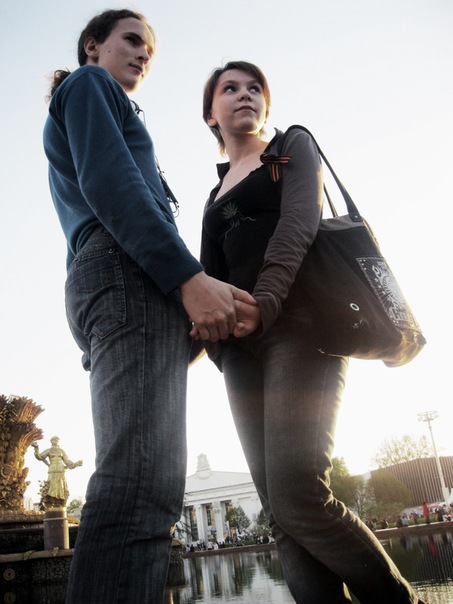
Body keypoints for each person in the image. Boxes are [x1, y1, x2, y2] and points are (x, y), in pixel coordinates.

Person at [43, 11, 256, 604]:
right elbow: (113, 186)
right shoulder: (89, 84)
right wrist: (188, 279)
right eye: (132, 40)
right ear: (92, 46)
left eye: (151, 50)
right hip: (125, 270)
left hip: (120, 279)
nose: (143, 54)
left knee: (147, 485)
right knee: (140, 485)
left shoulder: (101, 100)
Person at [198, 60, 424, 603]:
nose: (245, 94)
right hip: (240, 355)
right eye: (230, 88)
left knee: (299, 496)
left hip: (299, 328)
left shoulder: (289, 147)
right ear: (210, 114)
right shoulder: (214, 194)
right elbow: (207, 278)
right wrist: (215, 348)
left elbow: (299, 224)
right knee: (279, 516)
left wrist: (266, 303)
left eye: (255, 88)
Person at [32, 437, 82, 504]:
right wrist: (36, 448)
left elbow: (67, 461)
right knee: (51, 487)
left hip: (61, 470)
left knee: (61, 486)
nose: (56, 441)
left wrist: (76, 464)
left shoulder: (61, 451)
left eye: (57, 440)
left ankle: (60, 502)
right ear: (51, 441)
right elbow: (40, 457)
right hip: (52, 470)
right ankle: (51, 502)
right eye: (54, 440)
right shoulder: (49, 450)